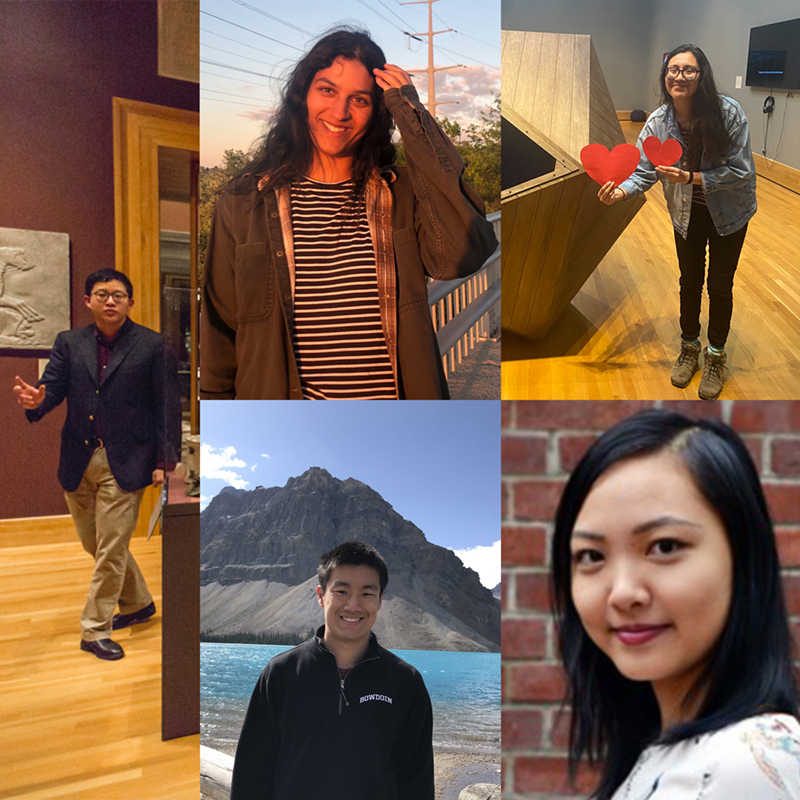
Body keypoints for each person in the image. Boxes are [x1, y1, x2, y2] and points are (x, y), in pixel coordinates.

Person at [200, 27, 498, 400]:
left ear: (377, 112)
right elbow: (218, 336)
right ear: (302, 95)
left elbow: (463, 253)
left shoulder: (399, 196)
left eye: (360, 99)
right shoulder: (244, 202)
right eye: (327, 90)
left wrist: (409, 111)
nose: (340, 113)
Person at [550, 409, 800, 800]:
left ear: (744, 557)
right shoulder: (668, 751)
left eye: (665, 546)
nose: (623, 592)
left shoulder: (751, 762)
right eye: (591, 556)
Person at [13, 269, 181, 661]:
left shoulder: (153, 346)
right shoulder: (68, 343)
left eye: (119, 295)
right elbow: (52, 387)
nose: (110, 300)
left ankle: (94, 629)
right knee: (98, 545)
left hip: (127, 461)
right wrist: (38, 402)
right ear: (88, 300)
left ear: (130, 303)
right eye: (102, 294)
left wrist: (164, 461)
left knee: (111, 549)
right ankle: (138, 603)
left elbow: (167, 406)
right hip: (78, 458)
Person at [598, 45, 756, 400]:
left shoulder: (729, 113)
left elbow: (741, 173)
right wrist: (619, 194)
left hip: (730, 213)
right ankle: (689, 347)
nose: (678, 76)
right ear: (665, 75)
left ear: (702, 76)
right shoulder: (657, 122)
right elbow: (642, 171)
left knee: (719, 285)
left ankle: (715, 355)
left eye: (688, 70)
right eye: (673, 70)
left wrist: (690, 178)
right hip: (686, 214)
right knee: (689, 282)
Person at [230, 541, 434, 800]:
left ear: (381, 600)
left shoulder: (406, 682)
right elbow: (251, 774)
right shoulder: (281, 673)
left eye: (367, 594)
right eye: (341, 591)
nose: (353, 606)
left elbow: (417, 782)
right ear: (320, 595)